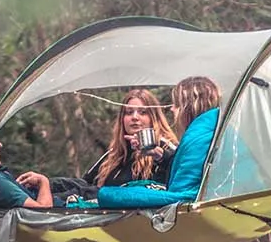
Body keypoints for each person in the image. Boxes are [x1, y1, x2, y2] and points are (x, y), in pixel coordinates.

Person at [95, 76, 223, 209]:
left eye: (177, 105)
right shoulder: (204, 133)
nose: (172, 109)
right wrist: (161, 157)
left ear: (189, 107)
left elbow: (185, 198)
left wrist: (110, 195)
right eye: (128, 112)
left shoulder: (199, 140)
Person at [85, 88, 179, 188]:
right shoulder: (113, 155)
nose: (134, 117)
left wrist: (160, 156)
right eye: (129, 112)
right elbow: (85, 183)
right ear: (122, 118)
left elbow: (179, 172)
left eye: (142, 112)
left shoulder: (165, 147)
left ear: (154, 117)